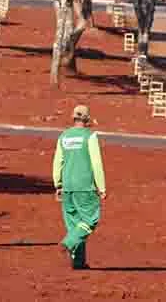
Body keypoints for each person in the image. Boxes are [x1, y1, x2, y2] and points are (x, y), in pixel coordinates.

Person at [53, 105, 107, 270]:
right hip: (85, 186)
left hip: (68, 187)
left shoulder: (63, 136)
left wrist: (58, 184)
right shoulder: (90, 137)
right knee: (90, 220)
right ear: (87, 119)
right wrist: (102, 187)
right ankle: (68, 243)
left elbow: (57, 162)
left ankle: (78, 262)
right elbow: (96, 163)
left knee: (75, 225)